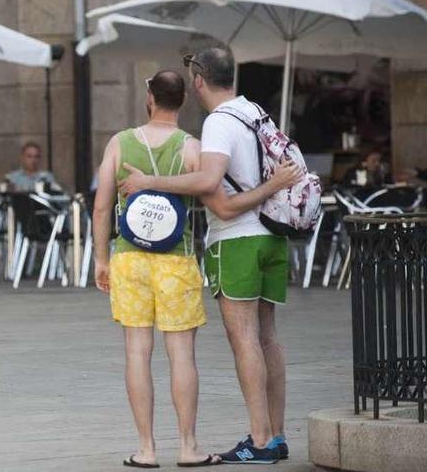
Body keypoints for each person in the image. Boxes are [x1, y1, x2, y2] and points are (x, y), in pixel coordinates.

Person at [93, 70, 298, 468]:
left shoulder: (118, 144)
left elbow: (102, 205)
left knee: (137, 351)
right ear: (183, 100)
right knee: (182, 354)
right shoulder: (192, 148)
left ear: (149, 97)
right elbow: (214, 196)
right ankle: (188, 447)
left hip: (129, 258)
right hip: (177, 260)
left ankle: (146, 450)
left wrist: (101, 259)